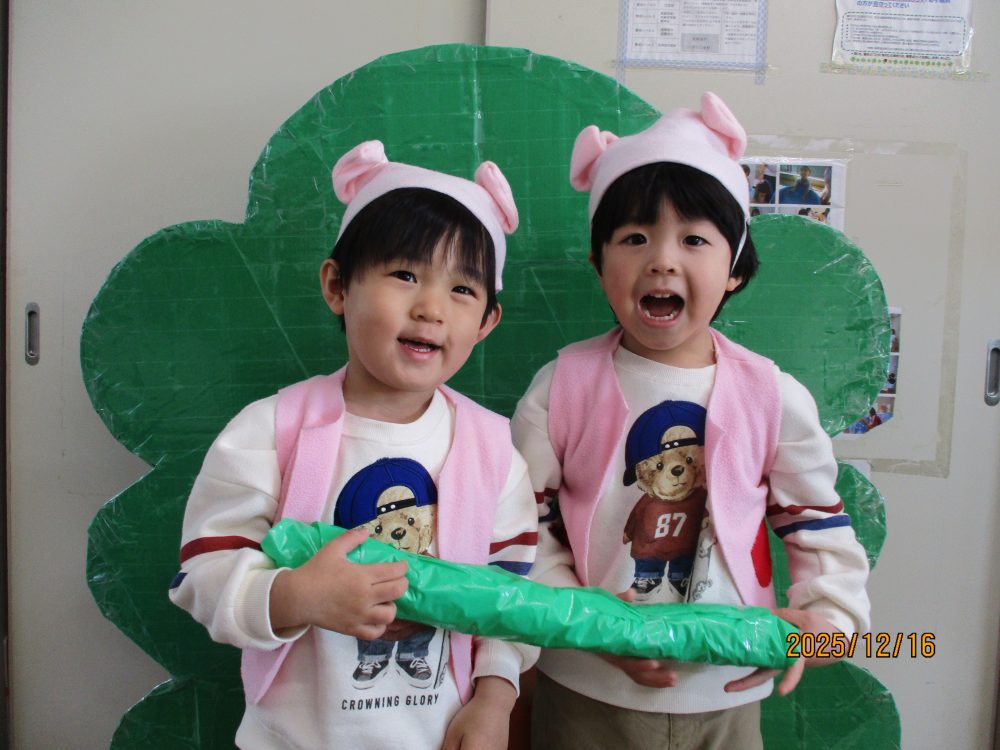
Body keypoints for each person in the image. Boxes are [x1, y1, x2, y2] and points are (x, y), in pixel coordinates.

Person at [512, 92, 871, 749]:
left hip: (726, 694)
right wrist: (585, 621)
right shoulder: (560, 387)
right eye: (634, 238)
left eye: (695, 239)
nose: (663, 259)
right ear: (598, 264)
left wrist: (829, 623)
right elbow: (518, 529)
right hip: (585, 689)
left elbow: (818, 525)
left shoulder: (772, 395)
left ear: (734, 269)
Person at [170, 141, 539, 750]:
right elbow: (202, 574)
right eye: (405, 275)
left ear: (486, 322)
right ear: (338, 286)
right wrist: (297, 596)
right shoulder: (268, 432)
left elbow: (513, 596)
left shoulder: (492, 449)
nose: (431, 308)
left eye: (462, 290)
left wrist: (495, 698)